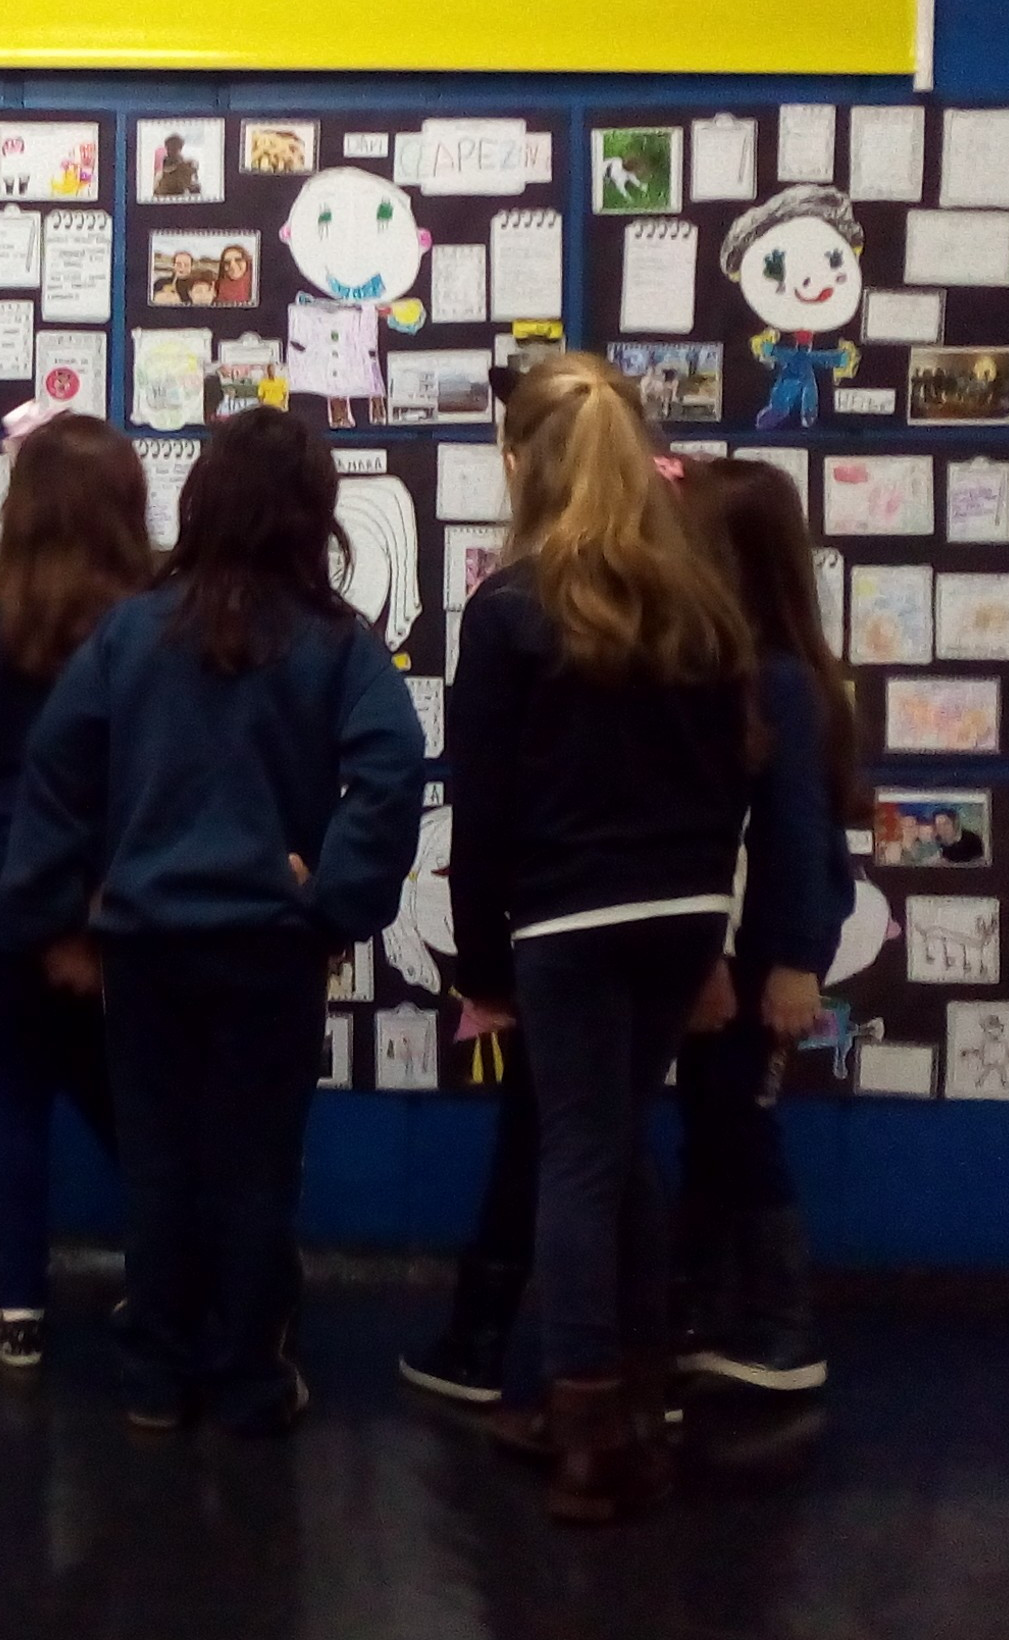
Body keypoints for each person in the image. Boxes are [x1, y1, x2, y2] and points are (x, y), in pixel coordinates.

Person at [3, 406, 424, 1434]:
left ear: (201, 499)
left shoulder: (131, 631)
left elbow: (52, 772)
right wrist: (333, 899)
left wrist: (61, 911)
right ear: (314, 513)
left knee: (159, 1166)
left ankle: (154, 1375)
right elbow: (391, 770)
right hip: (270, 947)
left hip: (146, 946)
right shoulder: (337, 642)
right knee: (255, 1171)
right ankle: (246, 1380)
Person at [448, 353, 755, 1524]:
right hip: (681, 912)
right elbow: (730, 778)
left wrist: (481, 964)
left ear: (522, 464)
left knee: (575, 1156)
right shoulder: (698, 599)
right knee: (618, 1144)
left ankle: (586, 1428)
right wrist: (709, 925)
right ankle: (635, 1394)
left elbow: (482, 808)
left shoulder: (511, 608)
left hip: (568, 918)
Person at [0, 414, 152, 1371]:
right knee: (133, 1091)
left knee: (17, 1089)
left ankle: (18, 1305)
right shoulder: (155, 627)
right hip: (126, 890)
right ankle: (167, 1276)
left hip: (11, 887)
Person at [674, 457, 860, 1394]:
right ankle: (714, 1310)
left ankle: (787, 1329)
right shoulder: (747, 675)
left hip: (758, 955)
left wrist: (791, 962)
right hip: (738, 950)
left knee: (740, 1124)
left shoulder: (777, 683)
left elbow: (796, 835)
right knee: (714, 1119)